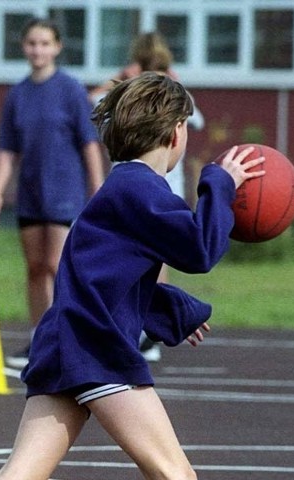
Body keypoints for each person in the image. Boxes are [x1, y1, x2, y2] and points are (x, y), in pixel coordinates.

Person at [0, 72, 265, 480]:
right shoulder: (141, 190)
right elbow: (200, 250)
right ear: (177, 132)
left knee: (19, 476)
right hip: (95, 351)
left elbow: (107, 277)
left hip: (65, 345)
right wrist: (220, 183)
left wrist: (172, 309)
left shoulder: (122, 188)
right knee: (175, 475)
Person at [0, 18, 103, 367]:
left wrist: (97, 190)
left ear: (56, 47)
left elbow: (89, 145)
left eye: (44, 43)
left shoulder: (70, 89)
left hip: (64, 192)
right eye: (32, 43)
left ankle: (64, 338)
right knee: (35, 268)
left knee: (57, 266)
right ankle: (40, 337)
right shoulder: (18, 93)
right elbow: (8, 150)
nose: (38, 49)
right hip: (30, 193)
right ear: (24, 47)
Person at [90, 31, 205, 363]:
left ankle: (147, 329)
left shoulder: (169, 96)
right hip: (137, 182)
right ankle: (139, 326)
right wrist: (121, 82)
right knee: (144, 254)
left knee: (151, 255)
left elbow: (195, 116)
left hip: (156, 181)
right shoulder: (129, 95)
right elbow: (94, 103)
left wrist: (171, 87)